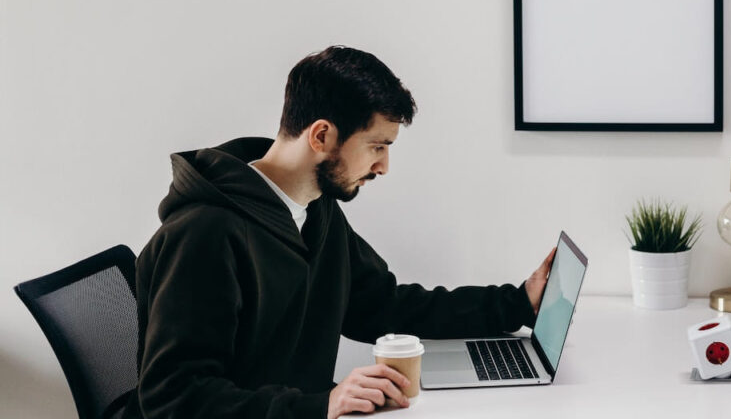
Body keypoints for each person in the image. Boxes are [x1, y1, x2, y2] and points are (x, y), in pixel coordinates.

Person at [124, 46, 555, 419]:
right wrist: (320, 406)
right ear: (323, 135)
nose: (383, 166)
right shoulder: (205, 234)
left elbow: (382, 306)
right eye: (377, 146)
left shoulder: (316, 211)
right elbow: (173, 399)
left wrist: (515, 302)